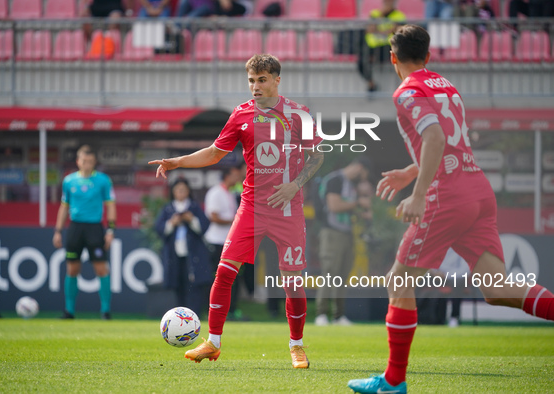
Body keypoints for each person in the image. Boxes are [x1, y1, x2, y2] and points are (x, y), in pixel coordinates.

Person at [347, 25, 554, 393]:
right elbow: (452, 141)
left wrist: (420, 192)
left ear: (392, 58)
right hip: (477, 188)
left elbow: (436, 137)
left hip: (449, 195)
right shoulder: (446, 86)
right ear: (428, 56)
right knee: (497, 288)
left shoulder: (407, 91)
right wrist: (412, 172)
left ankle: (393, 382)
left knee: (399, 280)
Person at [149, 54, 324, 368]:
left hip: (288, 209)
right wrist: (178, 161)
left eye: (262, 80)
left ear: (276, 80)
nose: (255, 87)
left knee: (292, 283)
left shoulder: (299, 114)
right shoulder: (241, 115)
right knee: (225, 272)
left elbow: (316, 157)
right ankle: (212, 343)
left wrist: (295, 185)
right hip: (252, 208)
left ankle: (296, 346)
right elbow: (216, 153)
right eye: (251, 81)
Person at [53, 145, 116, 320]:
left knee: (101, 268)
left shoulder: (103, 180)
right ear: (78, 161)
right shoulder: (69, 181)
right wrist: (58, 231)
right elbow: (64, 207)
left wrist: (110, 230)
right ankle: (69, 311)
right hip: (75, 228)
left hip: (95, 228)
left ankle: (105, 311)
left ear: (94, 162)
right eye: (84, 160)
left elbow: (110, 205)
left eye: (90, 161)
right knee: (72, 269)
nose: (87, 164)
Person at [315, 158, 371, 327]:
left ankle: (338, 316)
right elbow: (334, 206)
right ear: (359, 167)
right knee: (330, 273)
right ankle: (321, 314)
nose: (362, 179)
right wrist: (358, 203)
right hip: (332, 233)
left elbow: (347, 207)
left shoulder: (349, 184)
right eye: (364, 175)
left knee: (342, 275)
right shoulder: (335, 180)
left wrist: (362, 212)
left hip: (346, 233)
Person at [156, 178, 212, 316]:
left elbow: (204, 227)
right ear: (173, 192)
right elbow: (159, 228)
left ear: (188, 192)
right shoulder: (168, 208)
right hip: (174, 255)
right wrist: (172, 223)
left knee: (193, 287)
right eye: (178, 190)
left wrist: (191, 220)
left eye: (183, 190)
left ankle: (194, 317)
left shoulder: (193, 207)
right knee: (177, 285)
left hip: (193, 255)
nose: (181, 193)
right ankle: (179, 318)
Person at [204, 166, 247, 320]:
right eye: (235, 174)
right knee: (219, 279)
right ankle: (215, 312)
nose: (238, 178)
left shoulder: (231, 193)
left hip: (230, 242)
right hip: (216, 242)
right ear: (227, 176)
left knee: (234, 279)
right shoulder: (215, 192)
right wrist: (236, 221)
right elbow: (213, 217)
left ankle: (231, 310)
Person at [358, 0, 405, 92]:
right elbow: (370, 29)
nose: (387, 3)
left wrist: (378, 30)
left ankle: (374, 58)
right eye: (386, 2)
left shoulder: (399, 15)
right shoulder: (375, 13)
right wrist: (382, 16)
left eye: (390, 2)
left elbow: (394, 30)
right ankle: (371, 84)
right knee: (361, 62)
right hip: (372, 46)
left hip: (389, 47)